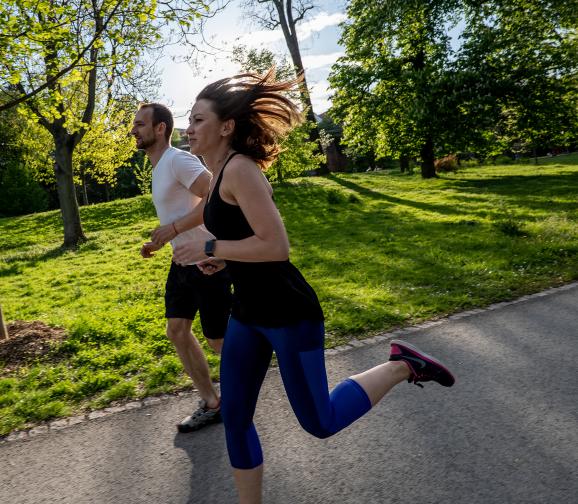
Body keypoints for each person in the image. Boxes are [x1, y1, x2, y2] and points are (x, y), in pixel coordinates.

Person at [171, 70, 455, 504]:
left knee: (319, 423)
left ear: (226, 127)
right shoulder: (217, 175)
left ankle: (401, 365)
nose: (188, 129)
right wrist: (220, 258)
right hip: (247, 312)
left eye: (197, 120)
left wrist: (209, 243)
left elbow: (277, 247)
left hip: (287, 313)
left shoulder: (241, 170)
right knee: (235, 417)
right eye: (188, 121)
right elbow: (247, 239)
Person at [131, 102, 234, 433]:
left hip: (206, 260)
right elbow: (182, 212)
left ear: (160, 129)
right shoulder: (159, 167)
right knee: (176, 330)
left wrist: (174, 230)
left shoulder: (178, 159)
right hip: (181, 261)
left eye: (140, 124)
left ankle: (256, 376)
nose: (134, 130)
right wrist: (163, 240)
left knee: (219, 341)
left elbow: (216, 195)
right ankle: (213, 403)